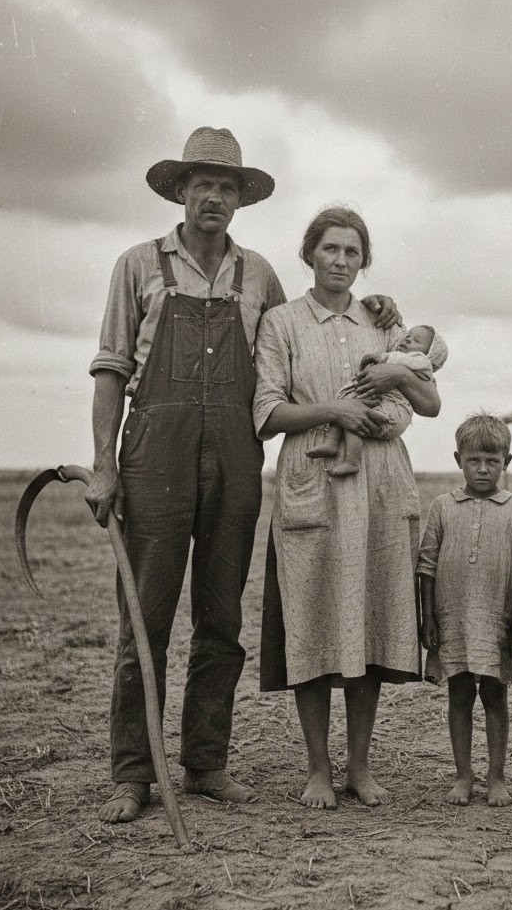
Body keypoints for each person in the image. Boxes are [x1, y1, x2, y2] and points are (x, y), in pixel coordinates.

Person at [85, 130, 401, 824]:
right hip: (155, 455)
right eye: (202, 183)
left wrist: (379, 310)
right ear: (180, 190)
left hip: (235, 455)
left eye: (226, 188)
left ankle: (205, 763)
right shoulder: (136, 265)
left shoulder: (259, 275)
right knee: (146, 615)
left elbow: (305, 335)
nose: (214, 197)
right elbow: (111, 369)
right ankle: (133, 774)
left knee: (221, 617)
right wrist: (105, 465)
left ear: (240, 200)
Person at [253, 205, 441, 809]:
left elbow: (423, 404)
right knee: (312, 621)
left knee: (369, 624)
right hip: (312, 478)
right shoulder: (281, 322)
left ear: (365, 262)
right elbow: (267, 412)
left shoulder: (384, 324)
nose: (340, 261)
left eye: (352, 252)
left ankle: (359, 767)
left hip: (380, 482)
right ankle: (317, 769)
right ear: (309, 254)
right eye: (330, 249)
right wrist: (335, 411)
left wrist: (392, 384)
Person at [417, 411, 512, 806]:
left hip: (497, 620)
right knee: (459, 695)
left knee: (496, 697)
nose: (482, 469)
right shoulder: (442, 507)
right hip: (454, 621)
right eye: (473, 460)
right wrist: (428, 618)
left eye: (492, 461)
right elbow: (427, 566)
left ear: (506, 462)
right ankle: (463, 776)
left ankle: (496, 777)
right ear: (458, 460)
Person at [308, 323, 448, 475]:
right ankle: (331, 442)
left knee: (355, 417)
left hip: (394, 409)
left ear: (430, 355)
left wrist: (383, 357)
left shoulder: (421, 362)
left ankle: (352, 461)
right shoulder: (405, 359)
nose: (407, 340)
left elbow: (406, 361)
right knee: (345, 409)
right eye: (407, 336)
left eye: (416, 341)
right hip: (383, 403)